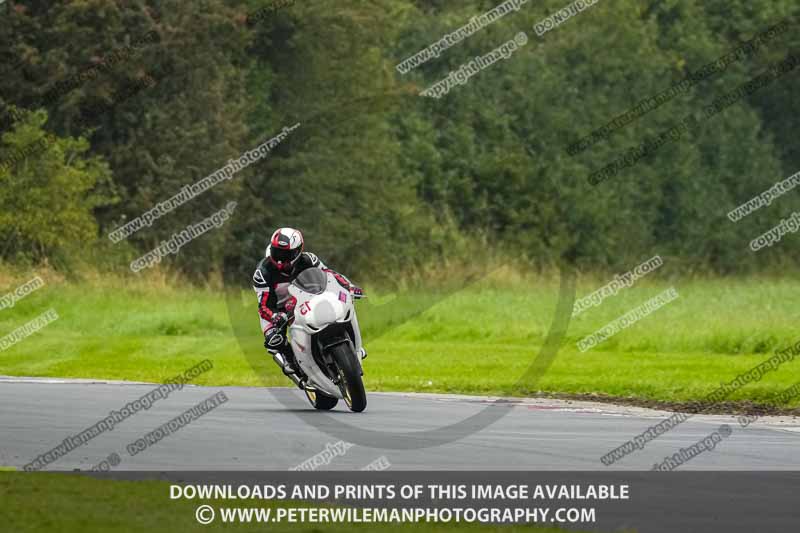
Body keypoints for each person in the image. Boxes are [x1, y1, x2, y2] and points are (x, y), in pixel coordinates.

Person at [252, 227, 366, 384]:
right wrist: (275, 316)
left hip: (306, 299)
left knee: (340, 308)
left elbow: (330, 275)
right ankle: (291, 362)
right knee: (274, 339)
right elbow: (263, 305)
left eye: (285, 255)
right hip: (276, 309)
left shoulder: (309, 260)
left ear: (298, 251)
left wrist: (350, 287)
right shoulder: (263, 272)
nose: (280, 259)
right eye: (276, 253)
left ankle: (354, 349)